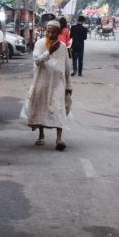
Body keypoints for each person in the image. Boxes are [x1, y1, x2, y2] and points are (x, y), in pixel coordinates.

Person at [24, 20, 72, 151]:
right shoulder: (40, 44)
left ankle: (59, 139)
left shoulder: (63, 47)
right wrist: (49, 52)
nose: (50, 34)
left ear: (58, 33)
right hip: (42, 81)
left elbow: (67, 67)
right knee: (41, 107)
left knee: (59, 108)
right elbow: (37, 61)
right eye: (48, 31)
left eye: (53, 32)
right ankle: (41, 135)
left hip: (58, 83)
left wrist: (69, 86)